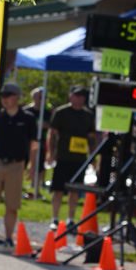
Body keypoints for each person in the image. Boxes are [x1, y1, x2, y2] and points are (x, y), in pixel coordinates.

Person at [0, 82, 37, 250]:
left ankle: (9, 238)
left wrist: (32, 166)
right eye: (2, 96)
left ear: (17, 97)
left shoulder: (27, 118)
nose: (4, 99)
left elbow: (33, 144)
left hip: (16, 165)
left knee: (12, 205)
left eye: (7, 96)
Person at [47, 86, 97, 235]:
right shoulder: (61, 112)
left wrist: (93, 156)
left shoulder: (88, 115)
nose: (80, 98)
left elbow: (92, 137)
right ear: (70, 96)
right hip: (62, 157)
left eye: (82, 96)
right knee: (58, 189)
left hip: (79, 159)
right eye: (77, 95)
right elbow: (52, 134)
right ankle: (54, 218)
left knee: (74, 190)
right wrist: (51, 153)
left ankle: (70, 219)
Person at [23, 86, 52, 198]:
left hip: (40, 141)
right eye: (39, 97)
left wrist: (45, 125)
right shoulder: (26, 111)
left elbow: (51, 125)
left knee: (39, 166)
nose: (41, 99)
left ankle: (37, 188)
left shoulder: (47, 112)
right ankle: (20, 187)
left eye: (43, 97)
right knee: (24, 164)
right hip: (26, 142)